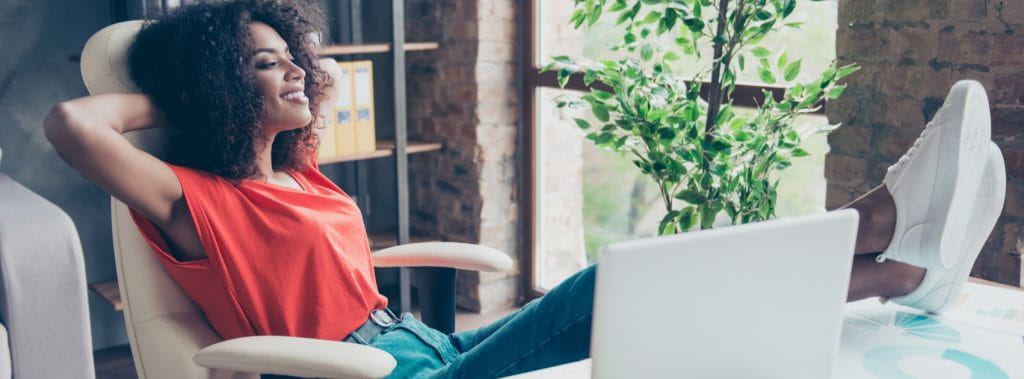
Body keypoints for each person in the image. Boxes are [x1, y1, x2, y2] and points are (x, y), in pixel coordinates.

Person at [44, 0, 1003, 377]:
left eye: (288, 56)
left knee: (653, 298)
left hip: (425, 345)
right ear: (214, 89)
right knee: (616, 285)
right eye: (262, 66)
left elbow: (335, 273)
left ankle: (895, 269)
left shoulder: (299, 179)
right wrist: (161, 91)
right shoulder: (187, 200)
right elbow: (72, 124)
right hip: (378, 376)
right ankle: (876, 224)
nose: (297, 71)